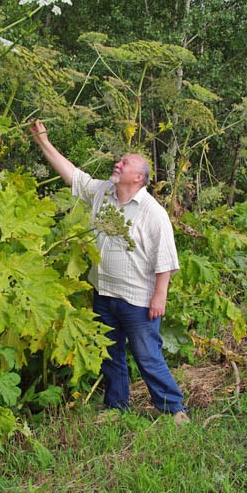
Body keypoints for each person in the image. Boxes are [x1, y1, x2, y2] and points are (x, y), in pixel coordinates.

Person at [30, 119, 189, 424]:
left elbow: (165, 260)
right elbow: (73, 176)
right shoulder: (103, 192)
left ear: (139, 177)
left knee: (147, 357)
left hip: (137, 301)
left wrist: (160, 297)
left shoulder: (153, 213)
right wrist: (44, 143)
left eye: (124, 162)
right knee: (109, 354)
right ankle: (117, 407)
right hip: (103, 294)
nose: (117, 163)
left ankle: (174, 409)